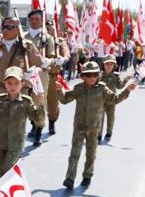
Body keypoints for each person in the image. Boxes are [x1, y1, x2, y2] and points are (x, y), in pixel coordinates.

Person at [0, 17, 42, 173]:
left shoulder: (26, 46)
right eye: (4, 26)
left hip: (18, 92)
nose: (6, 29)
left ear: (18, 29)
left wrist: (33, 72)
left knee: (14, 127)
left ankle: (12, 160)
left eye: (11, 27)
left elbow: (39, 65)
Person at [57, 61, 135, 189]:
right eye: (88, 75)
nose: (92, 77)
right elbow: (64, 100)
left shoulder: (102, 89)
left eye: (94, 74)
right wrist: (59, 91)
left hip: (94, 127)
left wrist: (127, 90)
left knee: (91, 153)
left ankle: (87, 175)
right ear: (83, 76)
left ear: (98, 75)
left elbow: (115, 99)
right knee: (74, 153)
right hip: (79, 126)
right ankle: (70, 178)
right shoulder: (78, 88)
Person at [0, 67, 45, 178]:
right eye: (9, 83)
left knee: (7, 171)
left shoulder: (26, 101)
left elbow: (38, 118)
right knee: (1, 173)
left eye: (16, 83)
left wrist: (40, 103)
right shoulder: (0, 99)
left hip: (16, 145)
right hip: (0, 143)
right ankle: (10, 189)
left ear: (22, 84)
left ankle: (15, 187)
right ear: (5, 83)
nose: (13, 86)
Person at [27, 9, 68, 140]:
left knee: (51, 103)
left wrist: (60, 59)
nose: (49, 29)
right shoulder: (27, 37)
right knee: (31, 101)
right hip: (32, 74)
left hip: (51, 75)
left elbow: (62, 55)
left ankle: (51, 122)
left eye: (51, 27)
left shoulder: (55, 41)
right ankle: (34, 125)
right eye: (32, 19)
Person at [99, 55, 133, 142]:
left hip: (112, 101)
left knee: (111, 118)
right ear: (103, 65)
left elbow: (119, 86)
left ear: (114, 65)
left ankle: (109, 133)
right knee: (99, 118)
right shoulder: (99, 76)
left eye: (111, 64)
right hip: (101, 101)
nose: (109, 66)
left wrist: (126, 79)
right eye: (107, 64)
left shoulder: (115, 76)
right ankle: (98, 135)